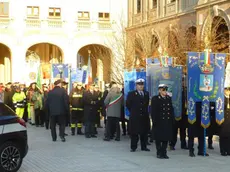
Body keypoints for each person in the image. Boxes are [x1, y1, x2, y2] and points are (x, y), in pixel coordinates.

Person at [126, 78, 150, 152]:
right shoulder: (131, 93)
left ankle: (144, 146)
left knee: (144, 132)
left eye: (142, 85)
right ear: (136, 85)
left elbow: (146, 104)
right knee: (134, 133)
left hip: (144, 116)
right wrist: (133, 111)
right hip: (135, 116)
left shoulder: (146, 93)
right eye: (139, 85)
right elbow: (128, 104)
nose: (141, 86)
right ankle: (133, 147)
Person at [151, 84, 174, 159]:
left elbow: (171, 110)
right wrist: (154, 121)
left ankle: (164, 152)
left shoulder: (168, 98)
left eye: (166, 90)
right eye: (163, 90)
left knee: (166, 138)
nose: (165, 91)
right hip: (159, 122)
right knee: (158, 138)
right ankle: (159, 152)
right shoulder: (155, 99)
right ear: (159, 90)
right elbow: (153, 111)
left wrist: (172, 120)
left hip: (167, 122)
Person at [169, 78, 188, 150]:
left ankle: (183, 144)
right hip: (176, 112)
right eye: (182, 81)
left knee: (183, 130)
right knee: (174, 130)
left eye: (184, 81)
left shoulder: (186, 90)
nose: (183, 83)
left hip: (184, 113)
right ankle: (172, 144)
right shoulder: (174, 89)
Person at [219, 87, 230, 156]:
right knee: (223, 136)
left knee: (229, 136)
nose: (228, 91)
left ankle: (228, 150)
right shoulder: (221, 99)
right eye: (227, 90)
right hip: (223, 120)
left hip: (229, 120)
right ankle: (223, 150)